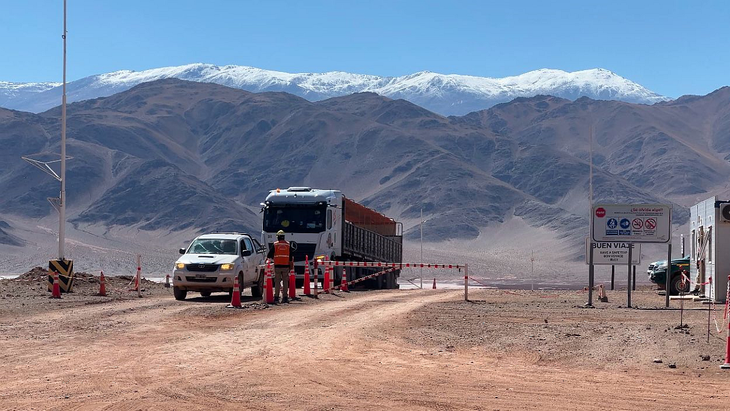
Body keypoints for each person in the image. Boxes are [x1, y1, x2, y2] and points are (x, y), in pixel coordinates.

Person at [268, 230, 293, 303]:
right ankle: (285, 297)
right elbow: (291, 256)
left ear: (278, 237)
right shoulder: (288, 245)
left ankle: (276, 297)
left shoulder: (275, 244)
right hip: (286, 266)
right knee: (285, 282)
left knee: (277, 282)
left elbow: (269, 255)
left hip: (277, 266)